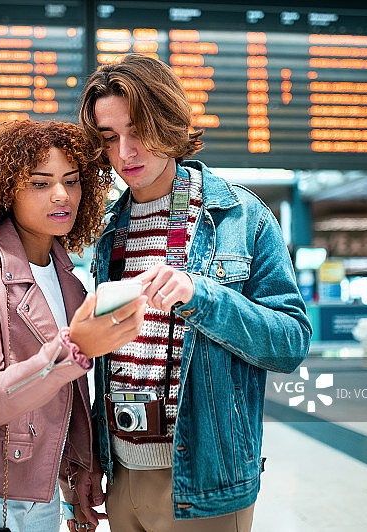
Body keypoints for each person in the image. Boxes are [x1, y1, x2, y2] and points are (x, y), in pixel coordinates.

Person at [77, 54, 312, 531]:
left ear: (167, 120)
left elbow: (291, 343)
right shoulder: (107, 232)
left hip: (204, 483)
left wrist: (203, 296)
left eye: (138, 129)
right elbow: (106, 360)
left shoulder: (238, 217)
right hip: (121, 476)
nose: (125, 153)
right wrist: (92, 458)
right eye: (109, 137)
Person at [0, 120, 147, 532]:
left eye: (72, 180)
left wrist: (77, 471)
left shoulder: (71, 283)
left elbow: (67, 398)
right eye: (40, 183)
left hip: (42, 494)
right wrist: (71, 351)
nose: (62, 195)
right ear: (5, 191)